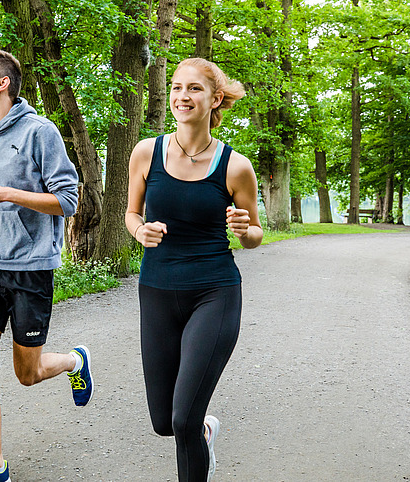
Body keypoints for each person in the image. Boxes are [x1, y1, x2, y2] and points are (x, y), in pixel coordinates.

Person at [0, 49, 92, 482]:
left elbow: (67, 202)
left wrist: (7, 195)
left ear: (2, 84)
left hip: (31, 266)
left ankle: (74, 362)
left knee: (27, 374)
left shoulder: (40, 131)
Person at [125, 58, 263, 482]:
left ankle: (195, 430)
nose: (183, 97)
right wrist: (139, 232)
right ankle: (205, 431)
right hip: (157, 291)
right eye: (177, 88)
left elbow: (255, 232)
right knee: (164, 423)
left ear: (215, 98)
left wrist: (244, 229)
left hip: (214, 292)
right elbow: (130, 214)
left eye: (195, 89)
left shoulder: (235, 166)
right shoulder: (146, 151)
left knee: (182, 419)